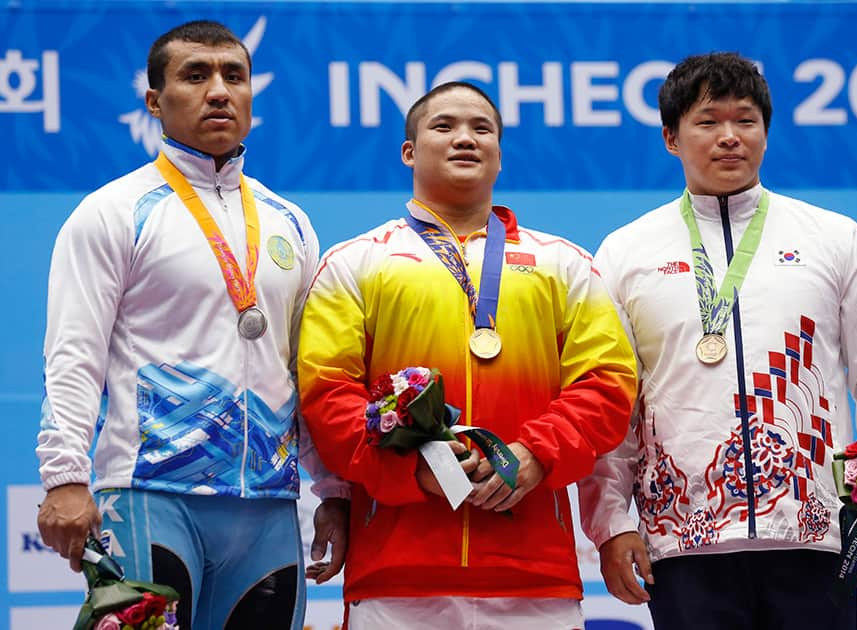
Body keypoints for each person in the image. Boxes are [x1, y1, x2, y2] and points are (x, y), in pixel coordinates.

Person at [578, 52, 857, 630]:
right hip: (683, 540)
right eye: (708, 121)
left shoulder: (834, 237)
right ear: (672, 137)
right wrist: (612, 522)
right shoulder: (625, 252)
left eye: (746, 121)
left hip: (815, 532)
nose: (729, 138)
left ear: (766, 133)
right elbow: (611, 396)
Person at [35, 20, 348, 630]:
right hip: (151, 496)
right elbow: (74, 355)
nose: (219, 91)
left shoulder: (291, 223)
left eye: (234, 76)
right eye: (195, 75)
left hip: (270, 509)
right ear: (155, 101)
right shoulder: (112, 212)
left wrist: (333, 491)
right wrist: (65, 477)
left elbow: (307, 370)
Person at [297, 81, 637, 629]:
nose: (465, 139)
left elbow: (608, 384)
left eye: (482, 129)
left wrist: (535, 454)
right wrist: (416, 471)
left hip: (535, 575)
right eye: (444, 126)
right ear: (409, 151)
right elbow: (325, 395)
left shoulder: (564, 264)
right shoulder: (354, 263)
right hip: (396, 574)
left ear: (500, 154)